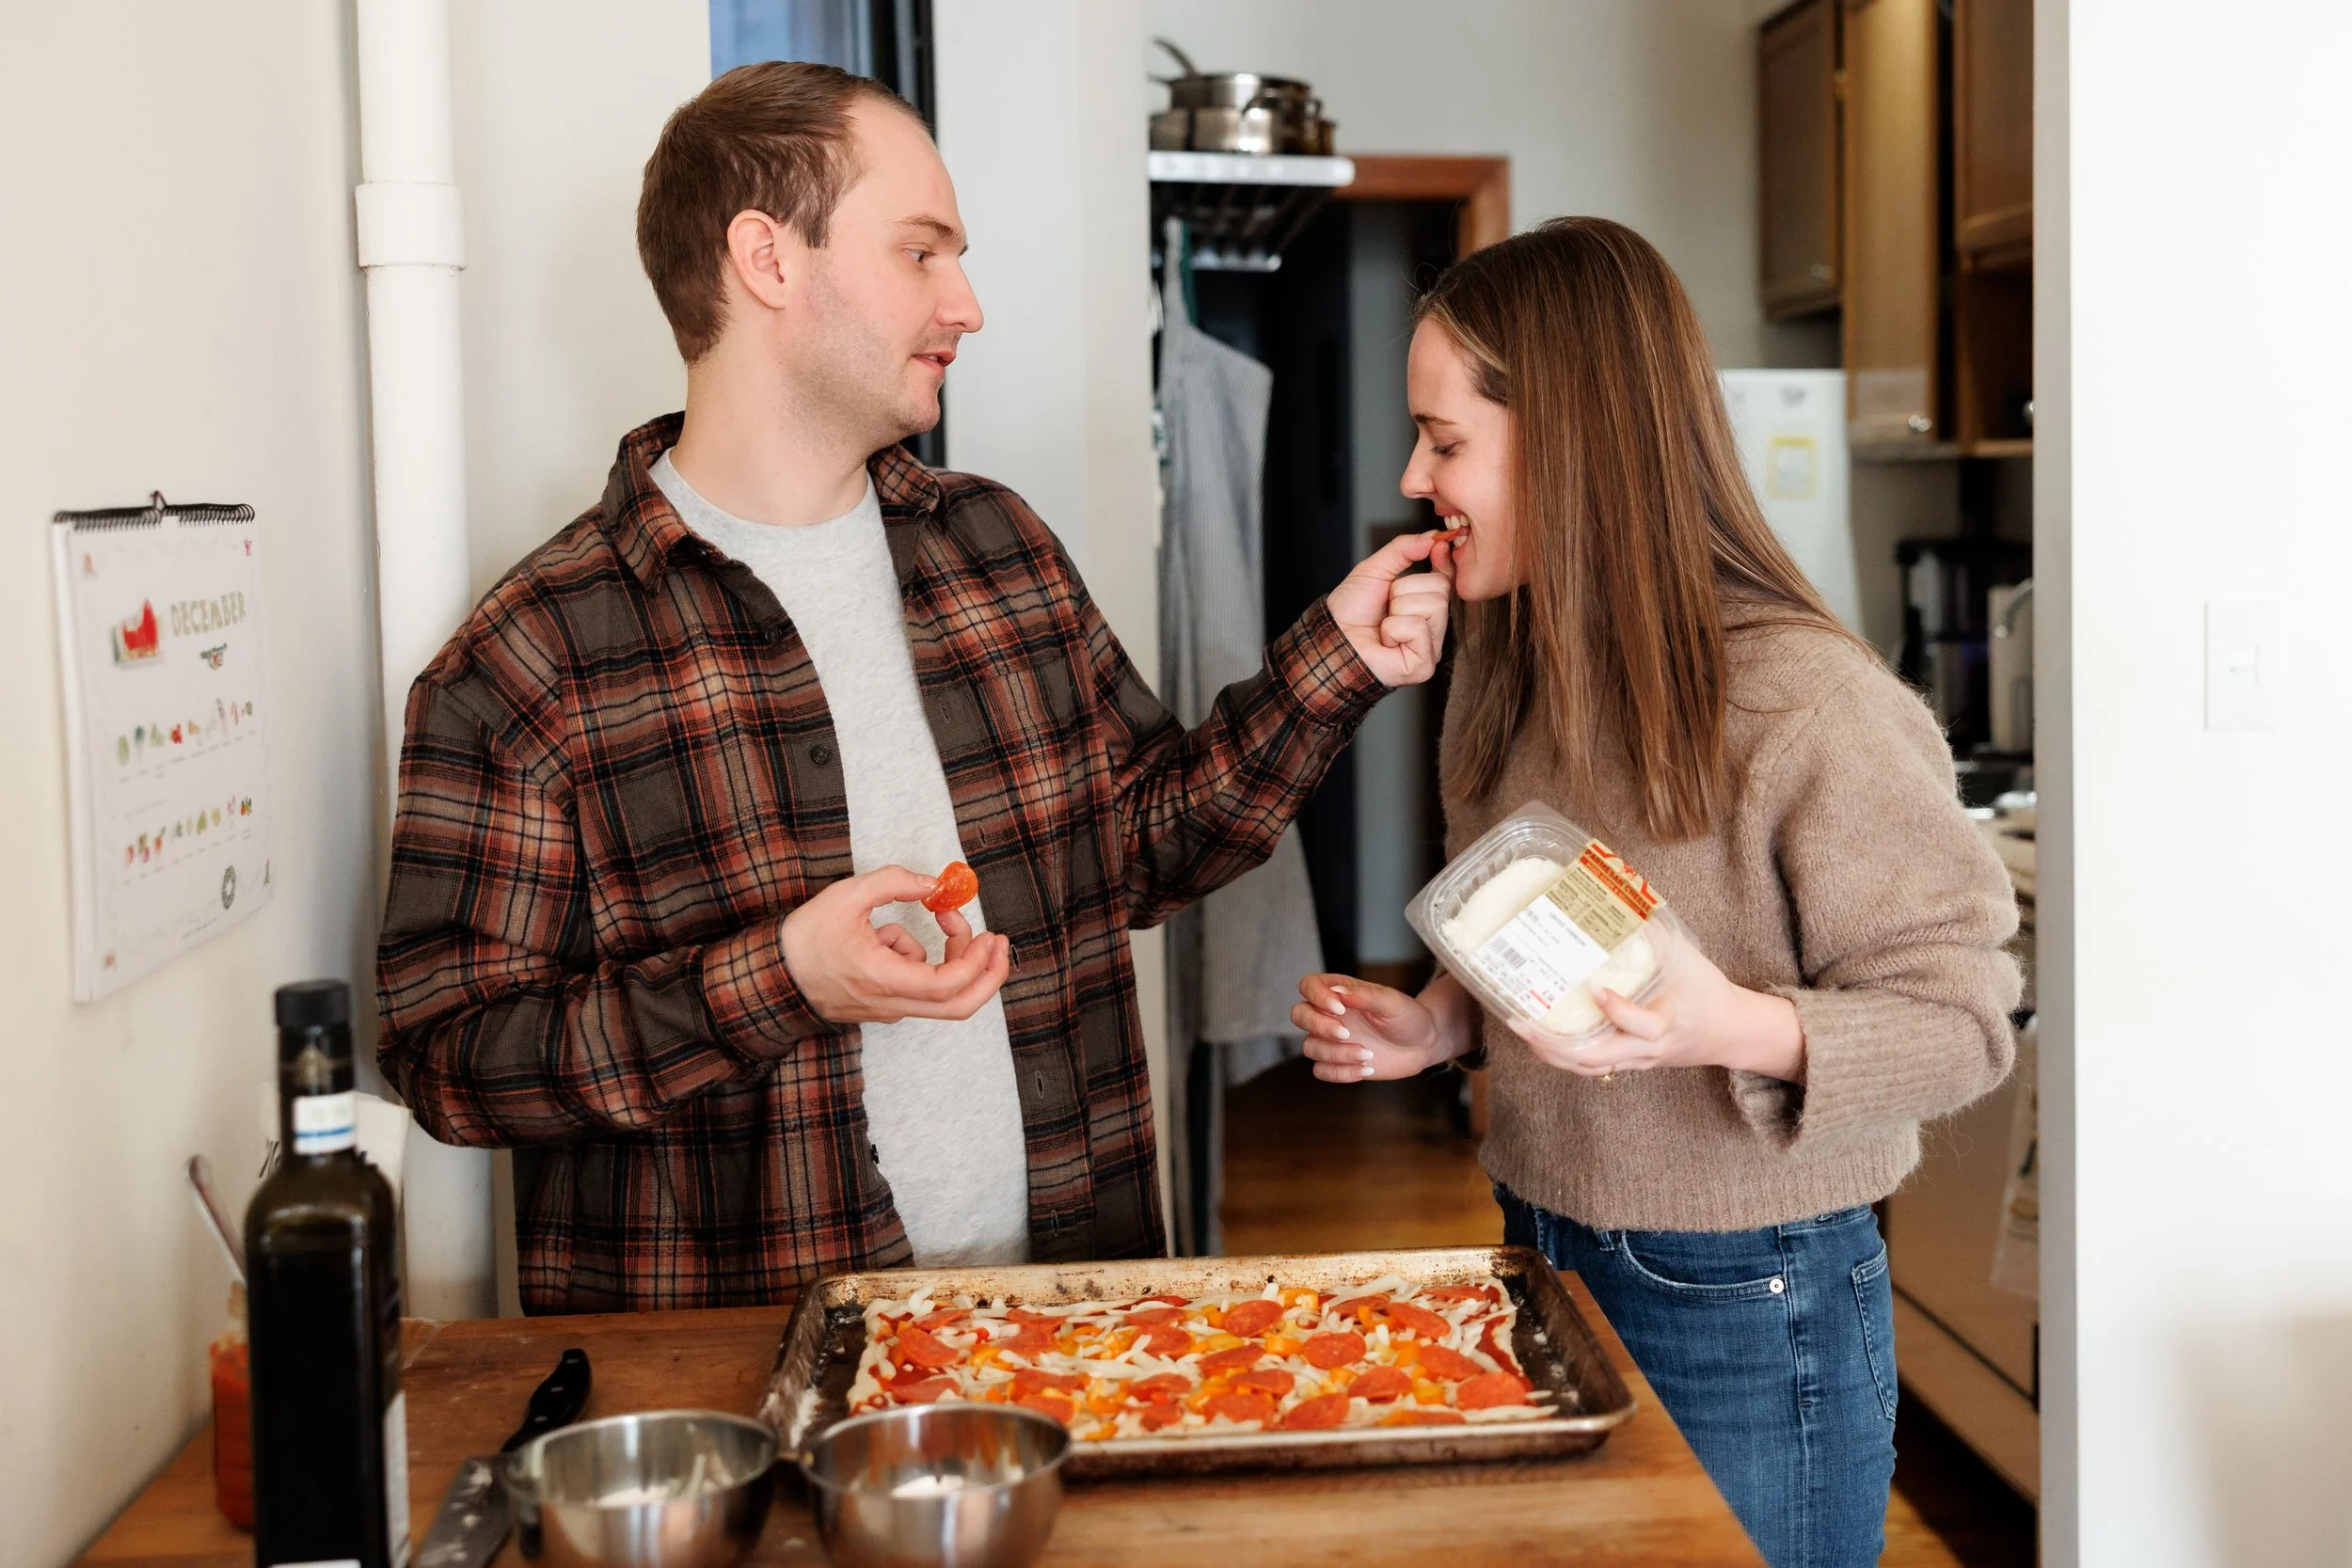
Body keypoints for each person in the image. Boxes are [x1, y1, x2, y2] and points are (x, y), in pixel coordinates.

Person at [373, 62, 1453, 1313]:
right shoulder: (529, 659)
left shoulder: (997, 548)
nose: (969, 304)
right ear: (767, 260)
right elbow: (447, 1060)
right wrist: (781, 978)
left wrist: (1339, 663)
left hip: (1077, 1328)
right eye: (922, 252)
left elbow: (1142, 847)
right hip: (759, 1396)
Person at [1290, 217, 2020, 1568]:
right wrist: (1449, 1019)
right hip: (1543, 1234)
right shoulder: (1513, 662)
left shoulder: (1808, 703)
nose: (1410, 475)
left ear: (1571, 439)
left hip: (1753, 1290)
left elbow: (1966, 1019)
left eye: (1445, 442)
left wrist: (1719, 1024)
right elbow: (1558, 930)